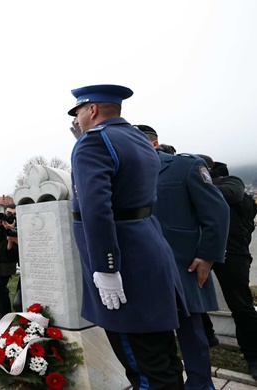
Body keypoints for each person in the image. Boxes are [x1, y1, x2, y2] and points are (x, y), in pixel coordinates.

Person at [68, 84, 187, 389]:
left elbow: (96, 210)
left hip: (124, 265)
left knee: (144, 368)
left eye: (79, 111)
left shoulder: (92, 143)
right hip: (149, 249)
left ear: (92, 109)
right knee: (163, 358)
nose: (78, 118)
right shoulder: (138, 138)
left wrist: (106, 267)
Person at [138, 124, 229, 390]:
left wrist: (208, 256)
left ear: (154, 144)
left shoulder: (184, 167)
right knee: (153, 338)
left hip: (184, 265)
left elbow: (217, 213)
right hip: (144, 268)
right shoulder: (126, 175)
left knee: (192, 335)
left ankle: (201, 386)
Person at [197, 155, 257, 381]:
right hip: (201, 250)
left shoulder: (230, 181)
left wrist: (194, 187)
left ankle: (253, 355)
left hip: (232, 252)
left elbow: (229, 194)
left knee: (241, 305)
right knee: (193, 299)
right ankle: (209, 336)